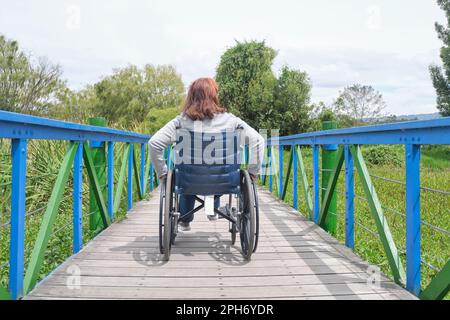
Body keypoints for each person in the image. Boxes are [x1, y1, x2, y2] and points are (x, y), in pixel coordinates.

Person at [149, 78, 264, 231]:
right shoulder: (232, 121)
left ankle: (185, 219)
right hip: (225, 181)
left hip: (189, 181)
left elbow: (154, 143)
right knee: (215, 175)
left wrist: (163, 173)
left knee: (187, 177)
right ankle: (212, 211)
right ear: (214, 96)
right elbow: (259, 141)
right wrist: (252, 172)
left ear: (192, 96)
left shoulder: (181, 122)